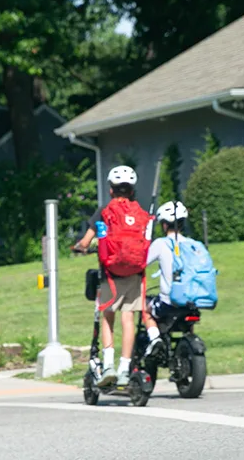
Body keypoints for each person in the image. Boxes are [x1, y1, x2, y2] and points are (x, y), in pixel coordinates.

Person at [73, 165, 150, 388]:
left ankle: (108, 366)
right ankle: (126, 368)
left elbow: (86, 241)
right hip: (135, 272)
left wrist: (80, 247)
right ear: (133, 190)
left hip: (111, 273)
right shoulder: (140, 213)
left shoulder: (104, 212)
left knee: (108, 315)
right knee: (128, 319)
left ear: (111, 189)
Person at [142, 200, 192, 354]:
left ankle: (155, 338)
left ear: (164, 224)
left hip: (168, 304)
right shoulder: (192, 244)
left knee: (143, 305)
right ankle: (188, 338)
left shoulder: (160, 244)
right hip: (191, 301)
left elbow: (142, 263)